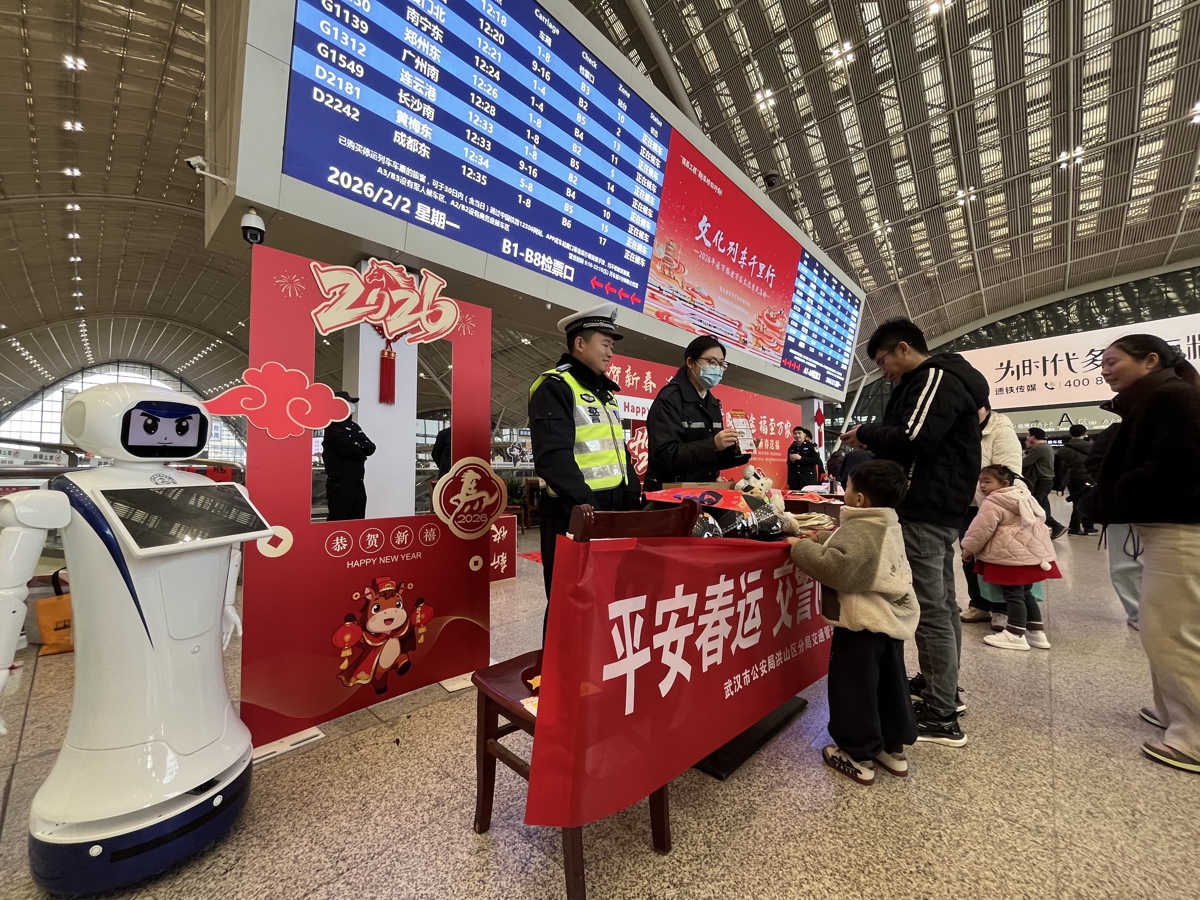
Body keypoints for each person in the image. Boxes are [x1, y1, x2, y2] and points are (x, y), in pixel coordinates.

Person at [840, 318, 988, 747]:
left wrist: (865, 434)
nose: (884, 370)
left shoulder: (935, 377)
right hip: (935, 507)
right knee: (941, 603)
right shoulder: (937, 381)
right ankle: (940, 686)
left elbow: (913, 437)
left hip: (925, 507)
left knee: (929, 608)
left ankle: (941, 714)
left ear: (903, 348)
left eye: (882, 360)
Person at [1092, 334, 1200, 774]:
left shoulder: (1173, 398)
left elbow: (1182, 464)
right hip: (1167, 528)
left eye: (1113, 361)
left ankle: (1194, 737)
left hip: (1181, 529)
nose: (1105, 370)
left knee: (1175, 630)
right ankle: (1173, 710)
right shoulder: (1161, 397)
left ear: (1151, 360)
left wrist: (1123, 488)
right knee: (1161, 626)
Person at [788, 460, 919, 785]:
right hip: (889, 623)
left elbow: (838, 568)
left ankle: (857, 754)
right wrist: (819, 537)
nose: (844, 491)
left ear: (859, 499)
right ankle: (891, 748)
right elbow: (850, 547)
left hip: (861, 626)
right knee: (888, 685)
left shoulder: (863, 529)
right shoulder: (886, 522)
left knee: (853, 691)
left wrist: (800, 548)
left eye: (846, 486)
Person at [528, 304, 641, 605]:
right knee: (570, 602)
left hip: (612, 513)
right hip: (574, 513)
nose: (610, 353)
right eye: (605, 344)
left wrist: (632, 498)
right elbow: (553, 458)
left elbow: (620, 452)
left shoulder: (607, 395)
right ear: (580, 343)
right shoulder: (555, 387)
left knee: (608, 598)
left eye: (612, 346)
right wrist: (590, 508)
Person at [960, 465, 1061, 651]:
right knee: (1026, 594)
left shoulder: (993, 502)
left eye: (987, 481)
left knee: (1013, 595)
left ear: (1004, 483)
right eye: (980, 481)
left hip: (1008, 557)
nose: (982, 486)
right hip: (1030, 556)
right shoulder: (1025, 497)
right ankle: (1036, 633)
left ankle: (1015, 634)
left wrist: (967, 549)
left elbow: (980, 531)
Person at [643, 335, 751, 492]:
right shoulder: (669, 400)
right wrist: (712, 445)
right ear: (690, 362)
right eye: (711, 362)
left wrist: (738, 449)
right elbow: (664, 455)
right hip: (671, 494)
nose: (717, 369)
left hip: (704, 492)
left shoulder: (712, 403)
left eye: (721, 364)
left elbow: (713, 459)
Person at [960, 402, 1023, 626]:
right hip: (966, 504)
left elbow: (1009, 472)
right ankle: (979, 604)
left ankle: (1001, 608)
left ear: (986, 408)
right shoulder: (960, 428)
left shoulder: (1001, 430)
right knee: (968, 555)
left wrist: (995, 499)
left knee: (997, 557)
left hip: (996, 506)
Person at [1087, 424, 1142, 629]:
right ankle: (1139, 613)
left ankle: (1140, 613)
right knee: (1128, 562)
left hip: (1133, 507)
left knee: (1129, 563)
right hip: (1127, 507)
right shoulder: (1122, 428)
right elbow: (1095, 463)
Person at [322, 391, 376, 521]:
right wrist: (360, 451)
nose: (351, 405)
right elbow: (346, 448)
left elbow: (370, 448)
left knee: (357, 517)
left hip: (358, 480)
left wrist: (357, 446)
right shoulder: (332, 426)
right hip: (340, 482)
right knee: (339, 518)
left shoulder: (355, 426)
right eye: (348, 402)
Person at [1022, 428, 1068, 540]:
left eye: (1028, 435)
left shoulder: (1038, 448)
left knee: (1035, 505)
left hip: (1040, 480)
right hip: (1047, 480)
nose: (1027, 438)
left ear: (1033, 436)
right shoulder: (1046, 447)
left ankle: (1056, 526)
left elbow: (1024, 463)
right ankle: (1047, 527)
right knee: (1043, 503)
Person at [1056, 425, 1097, 535]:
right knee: (1086, 501)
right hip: (1087, 478)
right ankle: (1075, 528)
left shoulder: (1063, 450)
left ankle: (1088, 526)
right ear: (1085, 433)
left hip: (1071, 479)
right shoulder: (1090, 448)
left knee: (1077, 501)